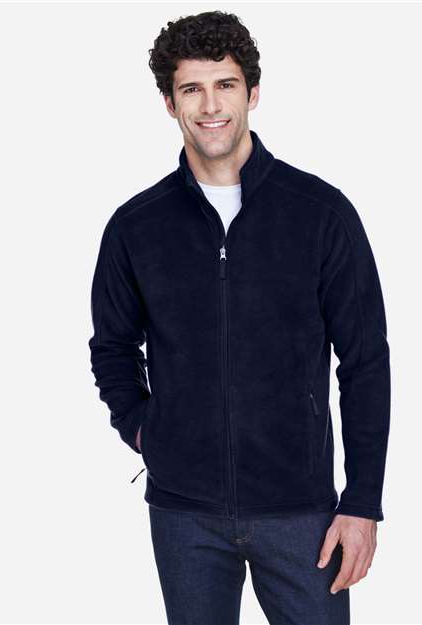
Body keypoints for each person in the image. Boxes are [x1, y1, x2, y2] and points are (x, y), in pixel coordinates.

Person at [88, 10, 391, 625]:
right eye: (191, 89)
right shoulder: (136, 226)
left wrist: (362, 501)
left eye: (224, 84)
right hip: (184, 514)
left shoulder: (321, 213)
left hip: (301, 509)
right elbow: (112, 349)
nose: (210, 106)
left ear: (252, 93)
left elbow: (365, 362)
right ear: (170, 103)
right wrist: (146, 430)